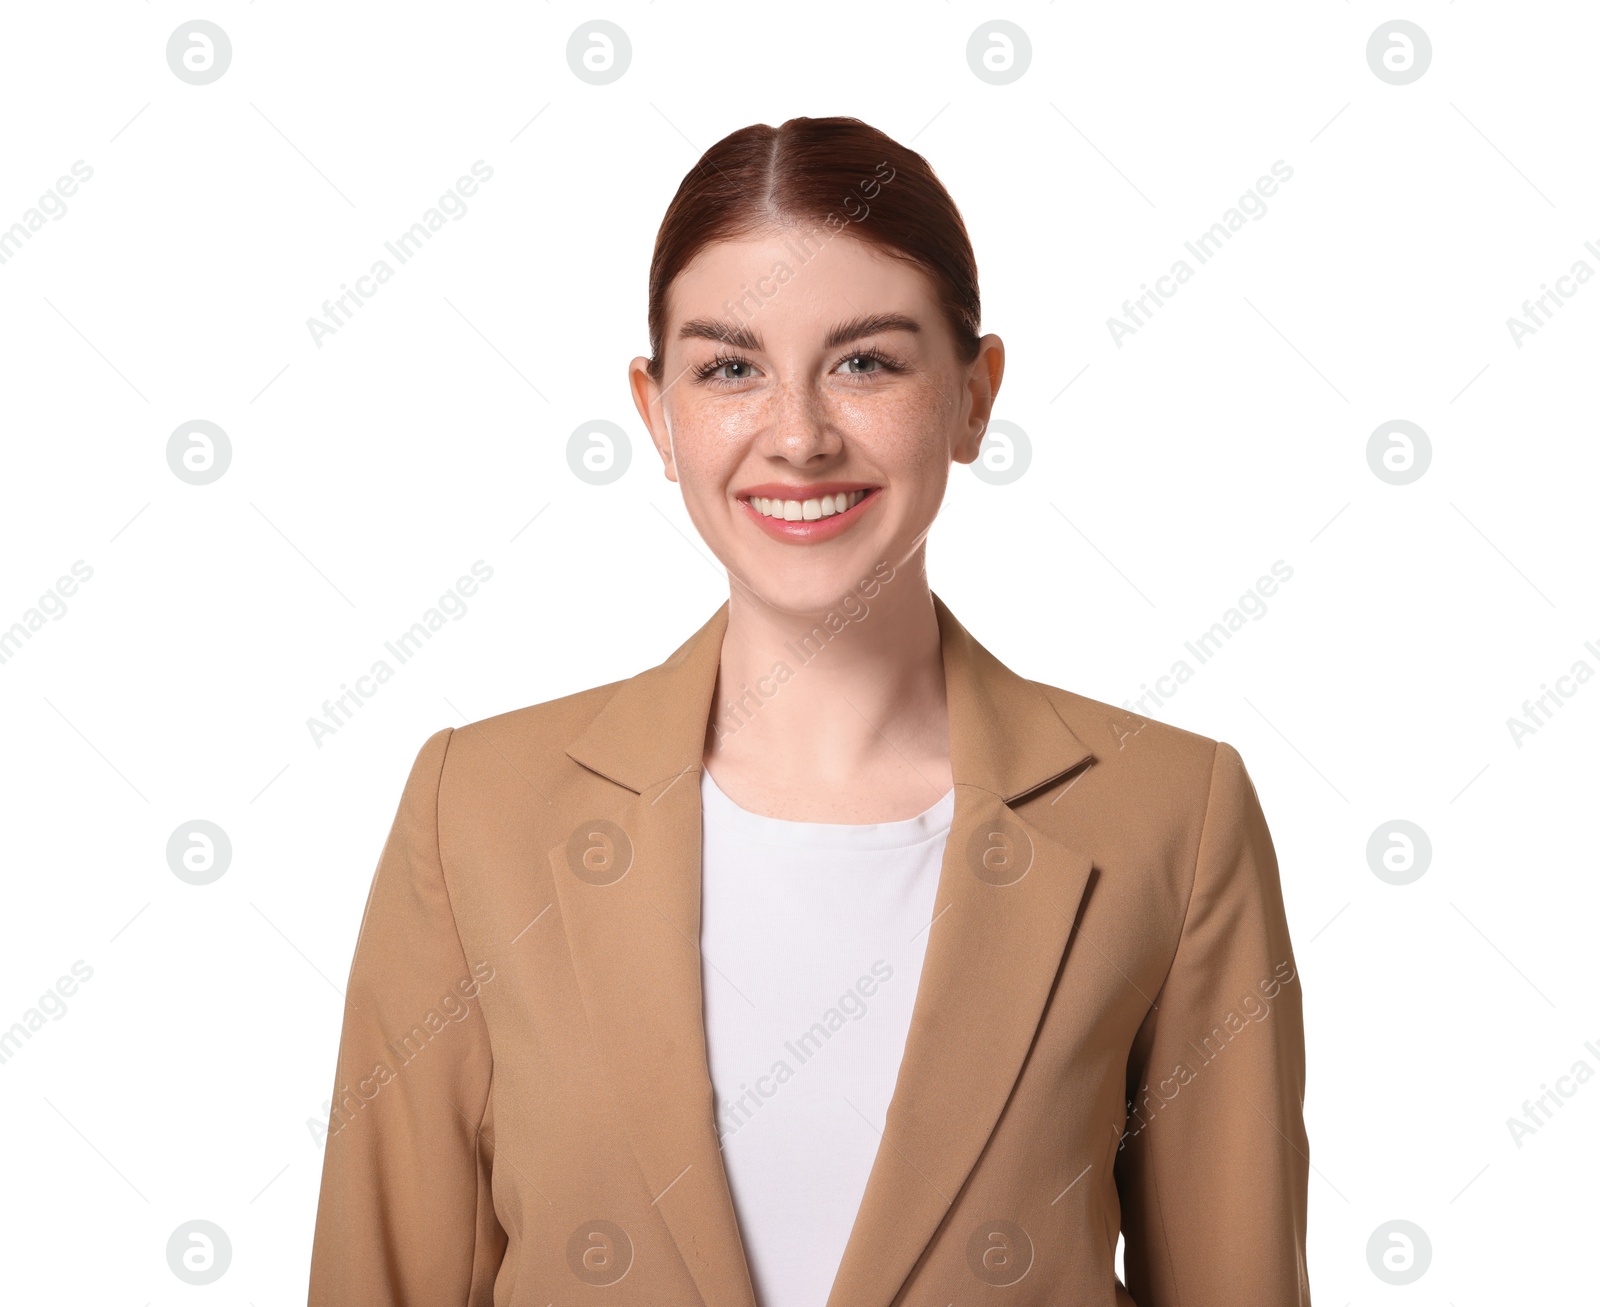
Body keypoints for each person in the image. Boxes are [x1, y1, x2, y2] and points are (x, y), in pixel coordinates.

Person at [307, 115, 1311, 1307]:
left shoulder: (1172, 816)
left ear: (974, 396)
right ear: (657, 412)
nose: (796, 435)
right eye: (729, 367)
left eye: (867, 362)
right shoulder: (474, 809)